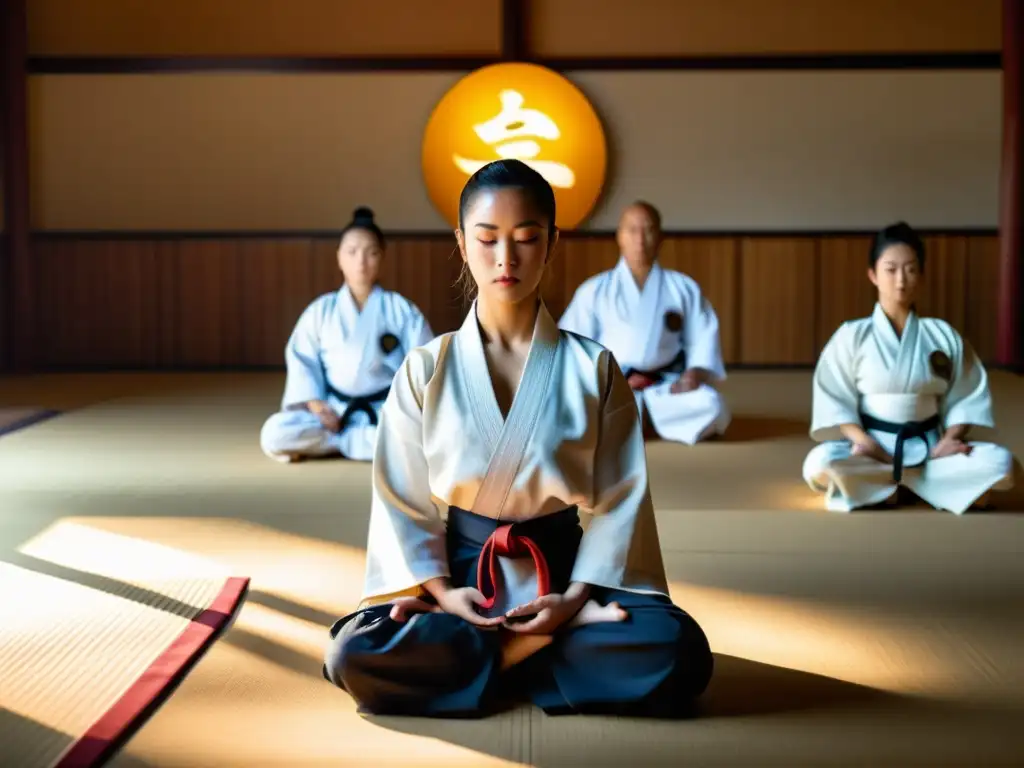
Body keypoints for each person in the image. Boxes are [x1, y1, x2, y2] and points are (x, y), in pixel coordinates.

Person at [322, 160, 713, 718]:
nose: (506, 258)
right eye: (487, 239)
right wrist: (440, 594)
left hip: (565, 574)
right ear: (461, 243)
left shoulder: (593, 367)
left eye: (527, 238)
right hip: (461, 579)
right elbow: (401, 505)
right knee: (352, 653)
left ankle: (490, 658)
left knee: (681, 653)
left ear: (552, 243)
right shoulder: (425, 369)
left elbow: (621, 503)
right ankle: (531, 654)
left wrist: (575, 599)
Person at [803, 221, 1014, 514]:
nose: (901, 280)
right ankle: (917, 486)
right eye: (890, 269)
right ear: (872, 274)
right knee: (819, 462)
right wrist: (863, 442)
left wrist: (950, 440)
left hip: (931, 450)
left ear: (921, 275)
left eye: (911, 269)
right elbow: (835, 398)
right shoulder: (852, 335)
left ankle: (881, 488)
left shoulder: (941, 334)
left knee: (1001, 462)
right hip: (872, 451)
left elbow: (967, 395)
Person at [260, 207, 433, 463]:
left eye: (371, 253)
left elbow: (425, 363)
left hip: (384, 409)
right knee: (274, 433)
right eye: (352, 252)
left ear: (382, 258)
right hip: (332, 412)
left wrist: (405, 407)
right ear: (339, 258)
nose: (361, 262)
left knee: (427, 432)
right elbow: (302, 361)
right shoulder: (321, 310)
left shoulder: (401, 310)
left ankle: (338, 444)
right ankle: (364, 444)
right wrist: (318, 407)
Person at [558, 202, 729, 445]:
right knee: (568, 407)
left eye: (648, 230)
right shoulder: (594, 290)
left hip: (666, 387)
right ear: (619, 236)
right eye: (632, 230)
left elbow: (702, 337)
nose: (640, 239)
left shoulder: (682, 288)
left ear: (660, 238)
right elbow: (572, 345)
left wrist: (694, 373)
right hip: (613, 387)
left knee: (712, 405)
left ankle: (640, 419)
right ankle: (646, 419)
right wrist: (612, 379)